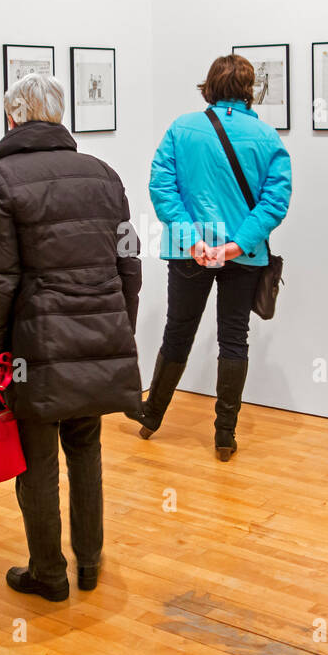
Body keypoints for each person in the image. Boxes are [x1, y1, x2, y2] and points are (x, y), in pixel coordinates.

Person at [0, 72, 141, 602]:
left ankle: (49, 572)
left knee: (37, 459)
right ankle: (89, 561)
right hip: (95, 335)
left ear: (13, 118)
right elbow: (128, 262)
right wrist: (119, 325)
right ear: (60, 115)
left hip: (34, 347)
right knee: (86, 448)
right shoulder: (104, 175)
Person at [132, 54, 292, 461]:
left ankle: (151, 417)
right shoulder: (267, 137)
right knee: (234, 338)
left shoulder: (181, 129)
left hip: (190, 253)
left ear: (209, 86)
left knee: (177, 333)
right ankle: (224, 435)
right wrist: (237, 245)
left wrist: (192, 240)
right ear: (248, 90)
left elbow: (161, 186)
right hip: (244, 255)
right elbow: (275, 201)